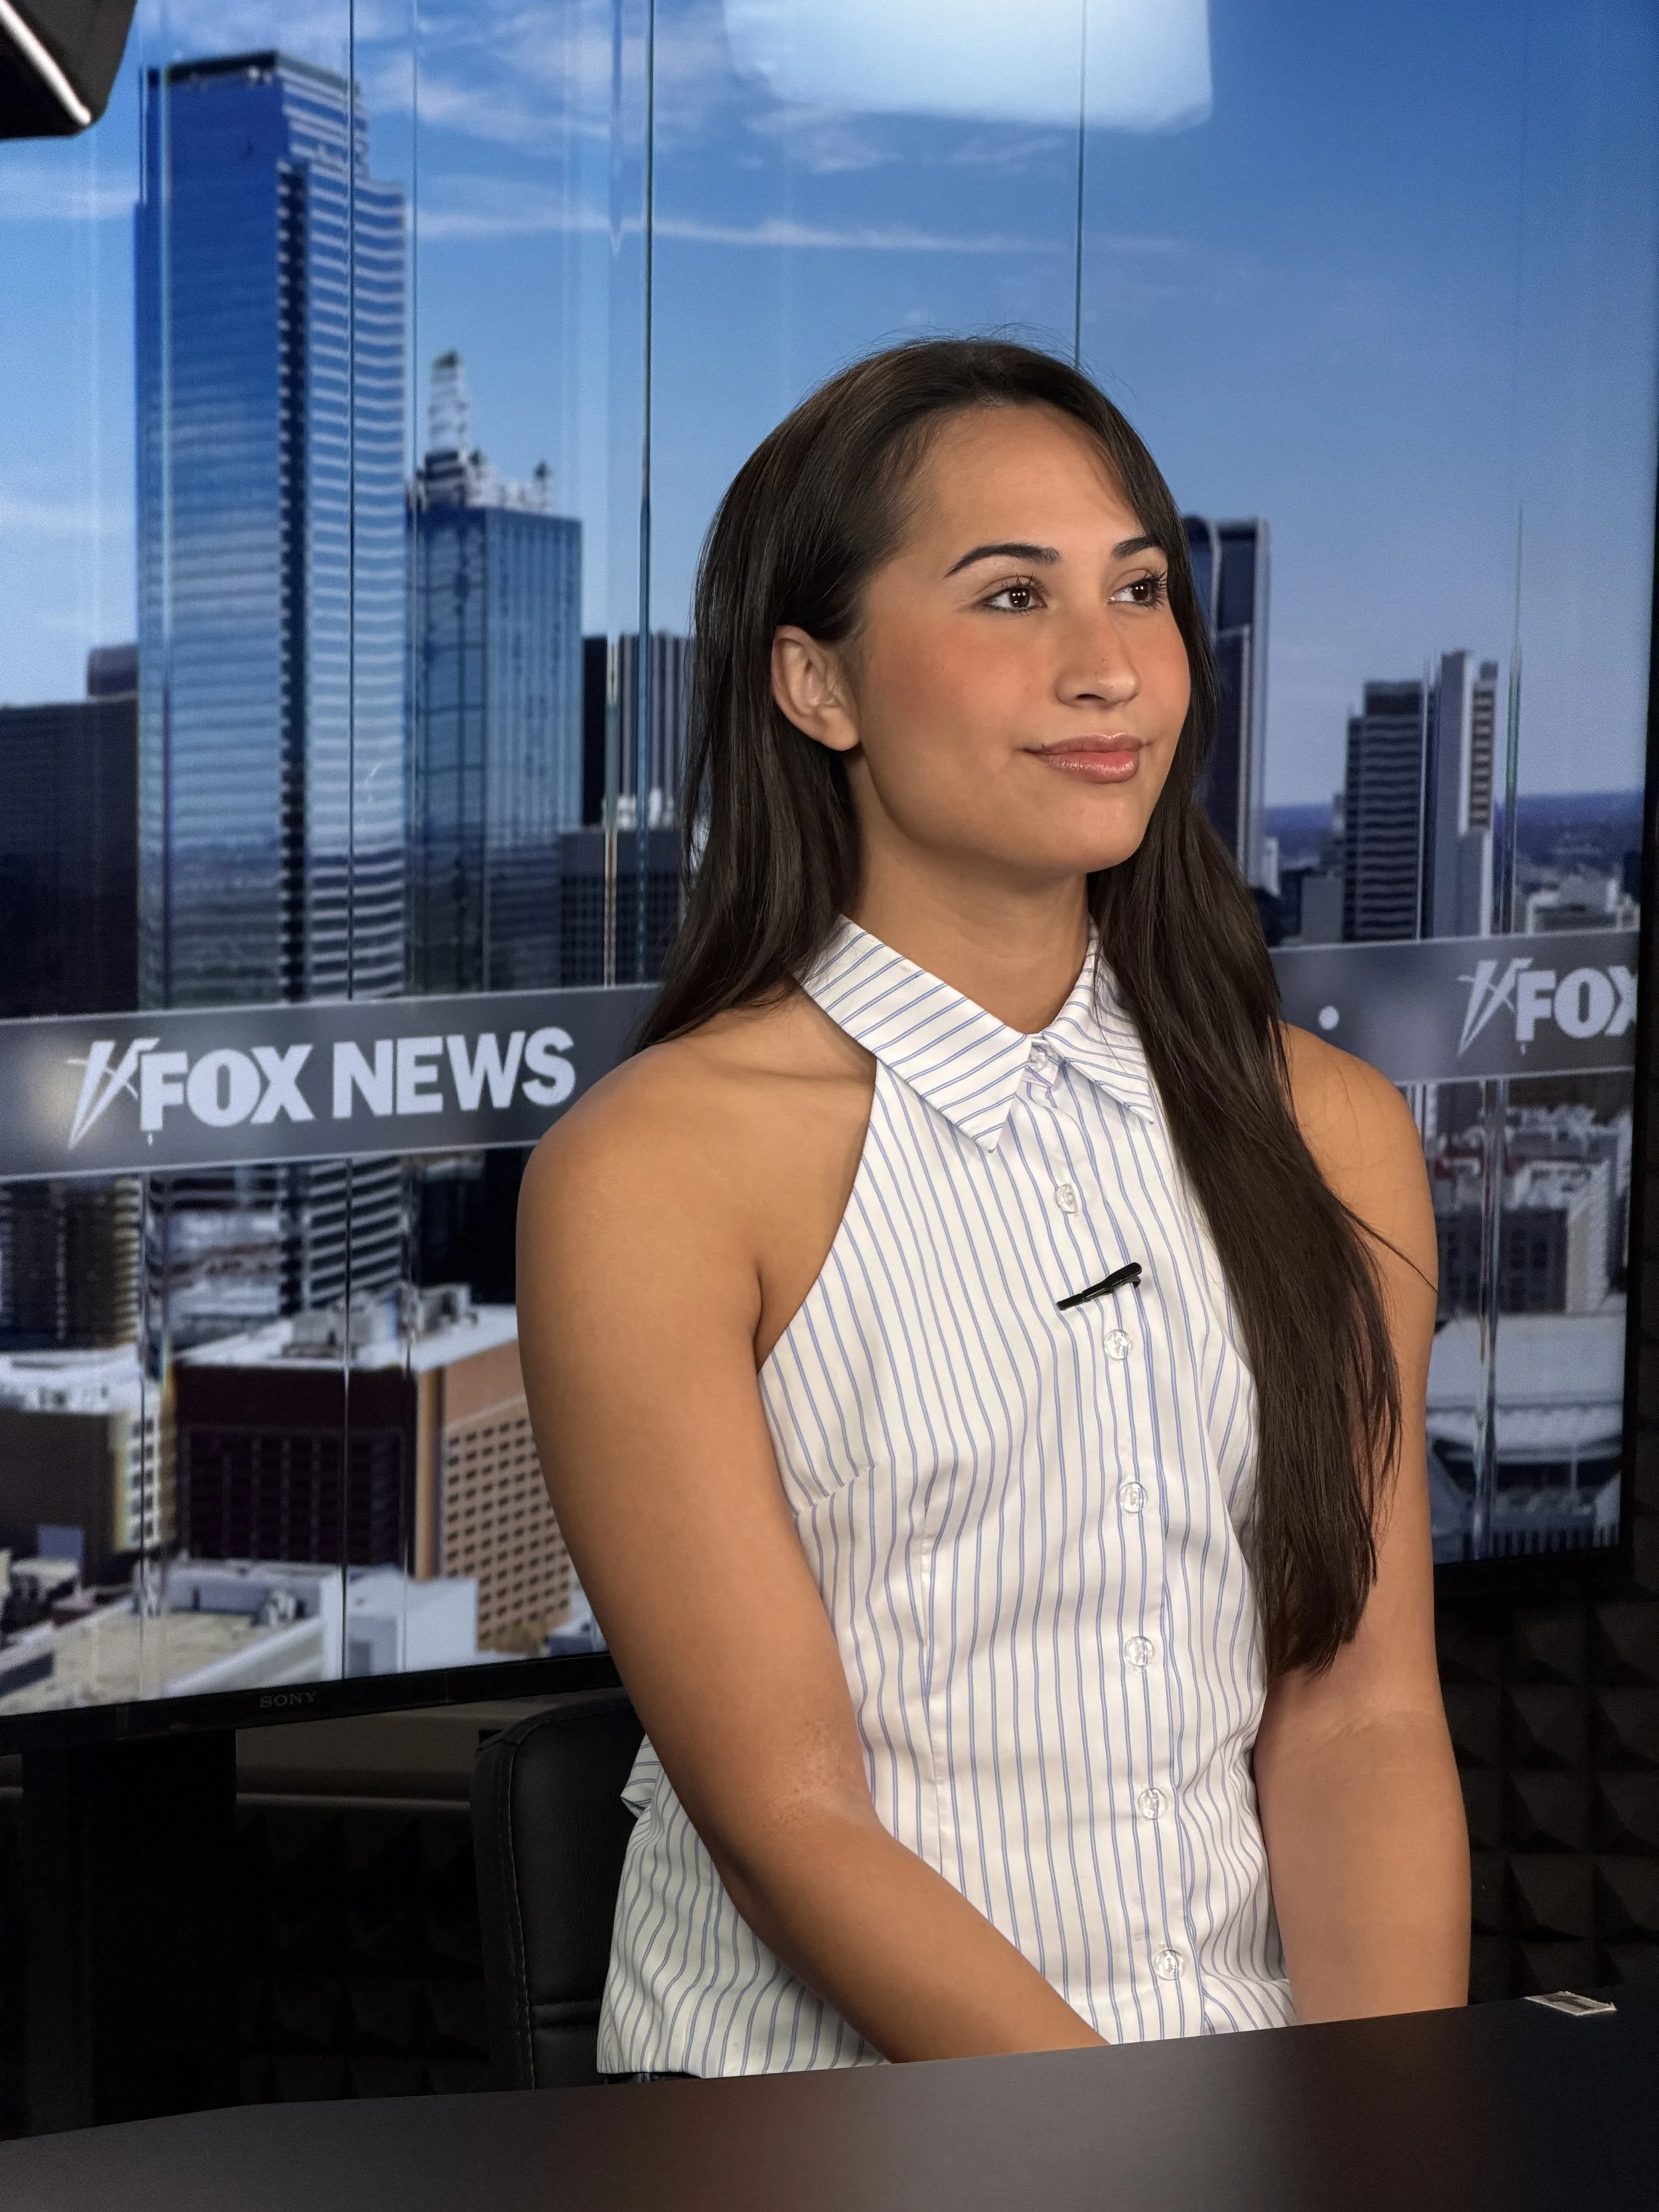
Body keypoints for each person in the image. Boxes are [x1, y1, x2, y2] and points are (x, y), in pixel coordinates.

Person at [516, 337, 1469, 2077]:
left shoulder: (1322, 1128)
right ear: (818, 684)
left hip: (1249, 2105)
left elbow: (1358, 1715)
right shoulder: (654, 1169)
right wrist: (1121, 2154)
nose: (1109, 668)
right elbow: (791, 1814)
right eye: (1011, 596)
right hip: (811, 2126)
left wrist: (1373, 2137)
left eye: (1140, 591)